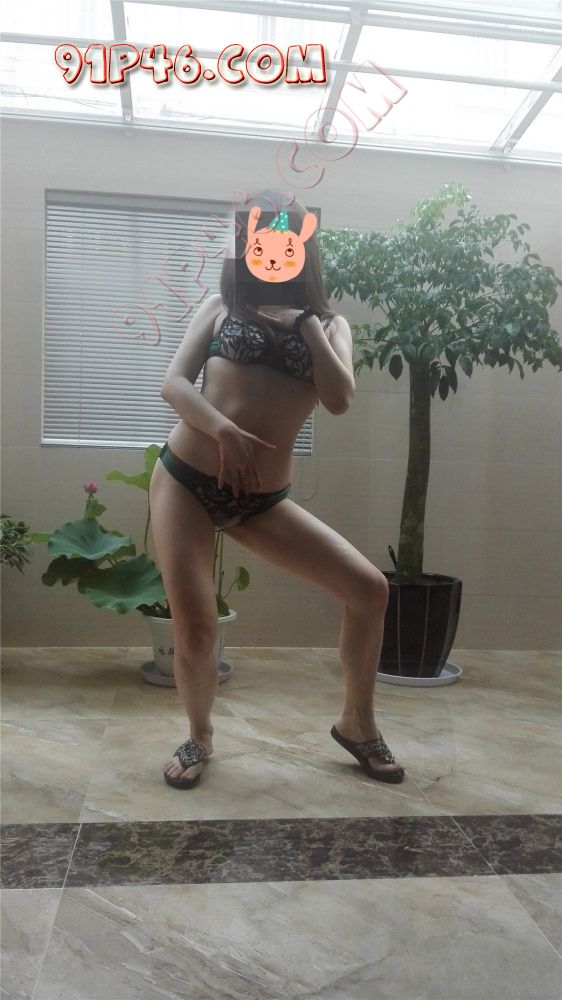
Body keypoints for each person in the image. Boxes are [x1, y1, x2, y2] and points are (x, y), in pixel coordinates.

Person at [148, 191, 405, 789]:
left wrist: (307, 323)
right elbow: (174, 384)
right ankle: (198, 736)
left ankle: (357, 724)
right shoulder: (220, 307)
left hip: (261, 501)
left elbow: (339, 399)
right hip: (187, 481)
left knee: (369, 590)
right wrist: (221, 429)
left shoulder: (332, 326)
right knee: (196, 625)